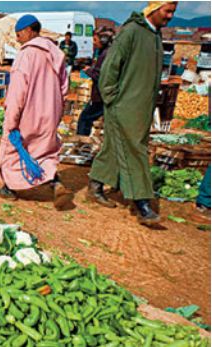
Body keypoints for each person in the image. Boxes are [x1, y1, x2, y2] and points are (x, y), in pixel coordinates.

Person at [87, 1, 177, 225]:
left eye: (173, 12)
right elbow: (110, 68)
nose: (170, 16)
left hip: (142, 107)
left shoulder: (155, 34)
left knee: (116, 146)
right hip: (124, 105)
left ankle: (96, 184)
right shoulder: (131, 32)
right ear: (154, 9)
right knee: (136, 151)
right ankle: (142, 202)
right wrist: (112, 99)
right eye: (168, 11)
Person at [0, 15, 72, 209]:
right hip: (51, 111)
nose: (18, 39)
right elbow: (64, 86)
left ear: (29, 31)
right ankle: (55, 182)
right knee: (45, 149)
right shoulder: (55, 53)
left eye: (19, 34)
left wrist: (11, 118)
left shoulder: (26, 54)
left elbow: (18, 91)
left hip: (29, 112)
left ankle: (9, 188)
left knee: (14, 147)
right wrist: (58, 110)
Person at [76, 27, 115, 136]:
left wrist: (88, 71)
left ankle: (82, 144)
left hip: (101, 96)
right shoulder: (106, 52)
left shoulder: (106, 54)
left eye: (95, 40)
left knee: (85, 118)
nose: (94, 43)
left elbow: (100, 75)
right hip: (104, 95)